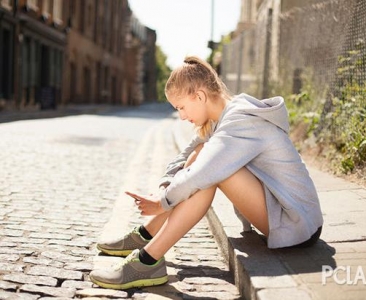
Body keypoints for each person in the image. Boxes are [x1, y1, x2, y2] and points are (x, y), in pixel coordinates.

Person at [89, 56, 323, 290]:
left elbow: (200, 174)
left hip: (296, 223)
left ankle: (147, 261)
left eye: (181, 107)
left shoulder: (241, 119)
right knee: (201, 155)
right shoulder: (218, 119)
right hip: (281, 212)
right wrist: (165, 187)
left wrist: (163, 202)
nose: (181, 116)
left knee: (208, 174)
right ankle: (147, 234)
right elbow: (185, 155)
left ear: (199, 96)